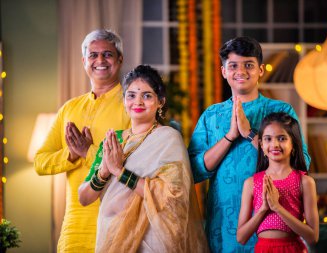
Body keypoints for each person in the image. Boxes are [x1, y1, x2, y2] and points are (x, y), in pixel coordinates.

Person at [188, 36, 311, 252]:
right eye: (233, 65)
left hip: (274, 226)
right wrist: (229, 137)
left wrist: (249, 133)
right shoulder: (212, 115)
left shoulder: (281, 112)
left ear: (260, 70)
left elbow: (303, 164)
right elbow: (193, 171)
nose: (241, 71)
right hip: (224, 226)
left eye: (249, 65)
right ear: (223, 71)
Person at [78, 65, 209, 253]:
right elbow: (84, 197)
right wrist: (105, 171)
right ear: (123, 100)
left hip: (152, 239)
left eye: (147, 96)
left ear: (160, 102)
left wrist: (120, 172)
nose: (137, 101)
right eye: (131, 95)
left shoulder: (168, 138)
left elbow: (173, 196)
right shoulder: (112, 141)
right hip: (111, 238)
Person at [34, 29, 130, 252]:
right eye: (93, 55)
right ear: (84, 61)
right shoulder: (70, 108)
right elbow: (40, 162)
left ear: (120, 59)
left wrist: (89, 151)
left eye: (107, 54)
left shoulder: (131, 105)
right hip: (75, 227)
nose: (100, 61)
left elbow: (134, 166)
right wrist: (71, 153)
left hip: (117, 223)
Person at [237, 112, 319, 252]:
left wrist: (277, 207)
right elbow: (241, 237)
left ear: (293, 144)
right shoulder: (251, 183)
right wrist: (263, 209)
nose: (274, 144)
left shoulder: (305, 182)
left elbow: (313, 237)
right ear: (261, 145)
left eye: (282, 138)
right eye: (268, 139)